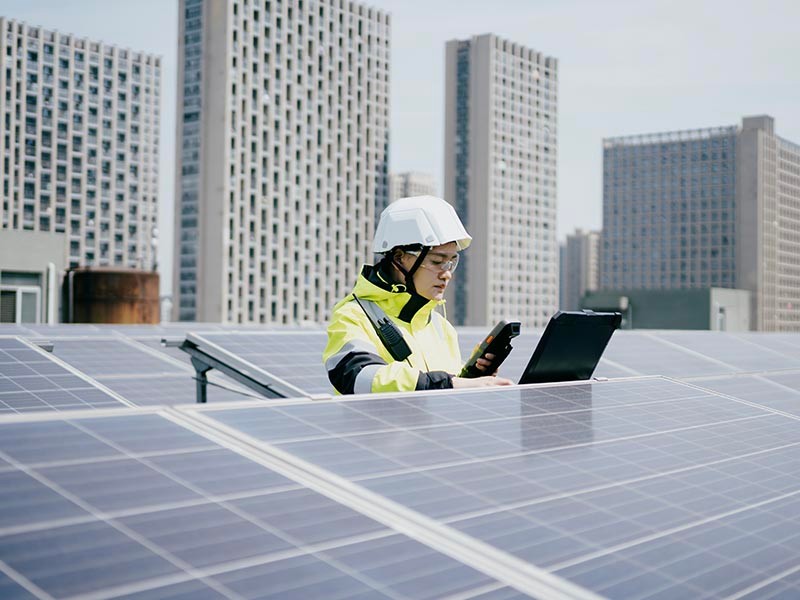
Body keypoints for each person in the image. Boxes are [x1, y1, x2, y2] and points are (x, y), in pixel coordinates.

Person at [323, 195, 513, 394]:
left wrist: (472, 379)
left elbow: (446, 393)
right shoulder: (352, 315)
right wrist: (447, 384)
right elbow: (356, 377)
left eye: (451, 262)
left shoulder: (441, 327)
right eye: (437, 261)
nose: (447, 273)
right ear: (399, 258)